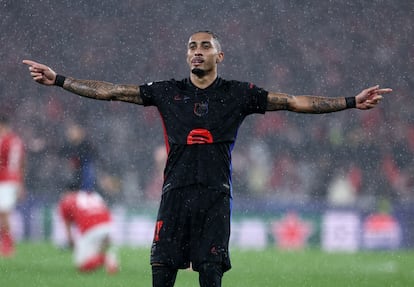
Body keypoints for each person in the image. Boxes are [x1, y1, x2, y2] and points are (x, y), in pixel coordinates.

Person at [23, 31, 392, 287]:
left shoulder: (239, 94)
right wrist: (59, 80)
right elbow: (113, 92)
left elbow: (294, 101)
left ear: (220, 55)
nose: (196, 51)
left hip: (215, 197)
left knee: (210, 273)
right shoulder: (167, 92)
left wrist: (350, 101)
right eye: (191, 46)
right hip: (175, 194)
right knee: (161, 270)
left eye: (205, 46)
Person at [58, 186, 118, 274]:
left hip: (91, 228)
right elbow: (104, 210)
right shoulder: (93, 195)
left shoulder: (66, 201)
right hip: (107, 224)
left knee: (81, 265)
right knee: (95, 253)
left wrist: (71, 241)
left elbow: (67, 226)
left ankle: (105, 258)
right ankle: (106, 259)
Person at [0, 115, 25, 257]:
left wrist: (19, 182)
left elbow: (16, 163)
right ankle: (6, 242)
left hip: (8, 181)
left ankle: (8, 245)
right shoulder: (14, 141)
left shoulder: (11, 141)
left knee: (4, 213)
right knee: (2, 214)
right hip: (7, 180)